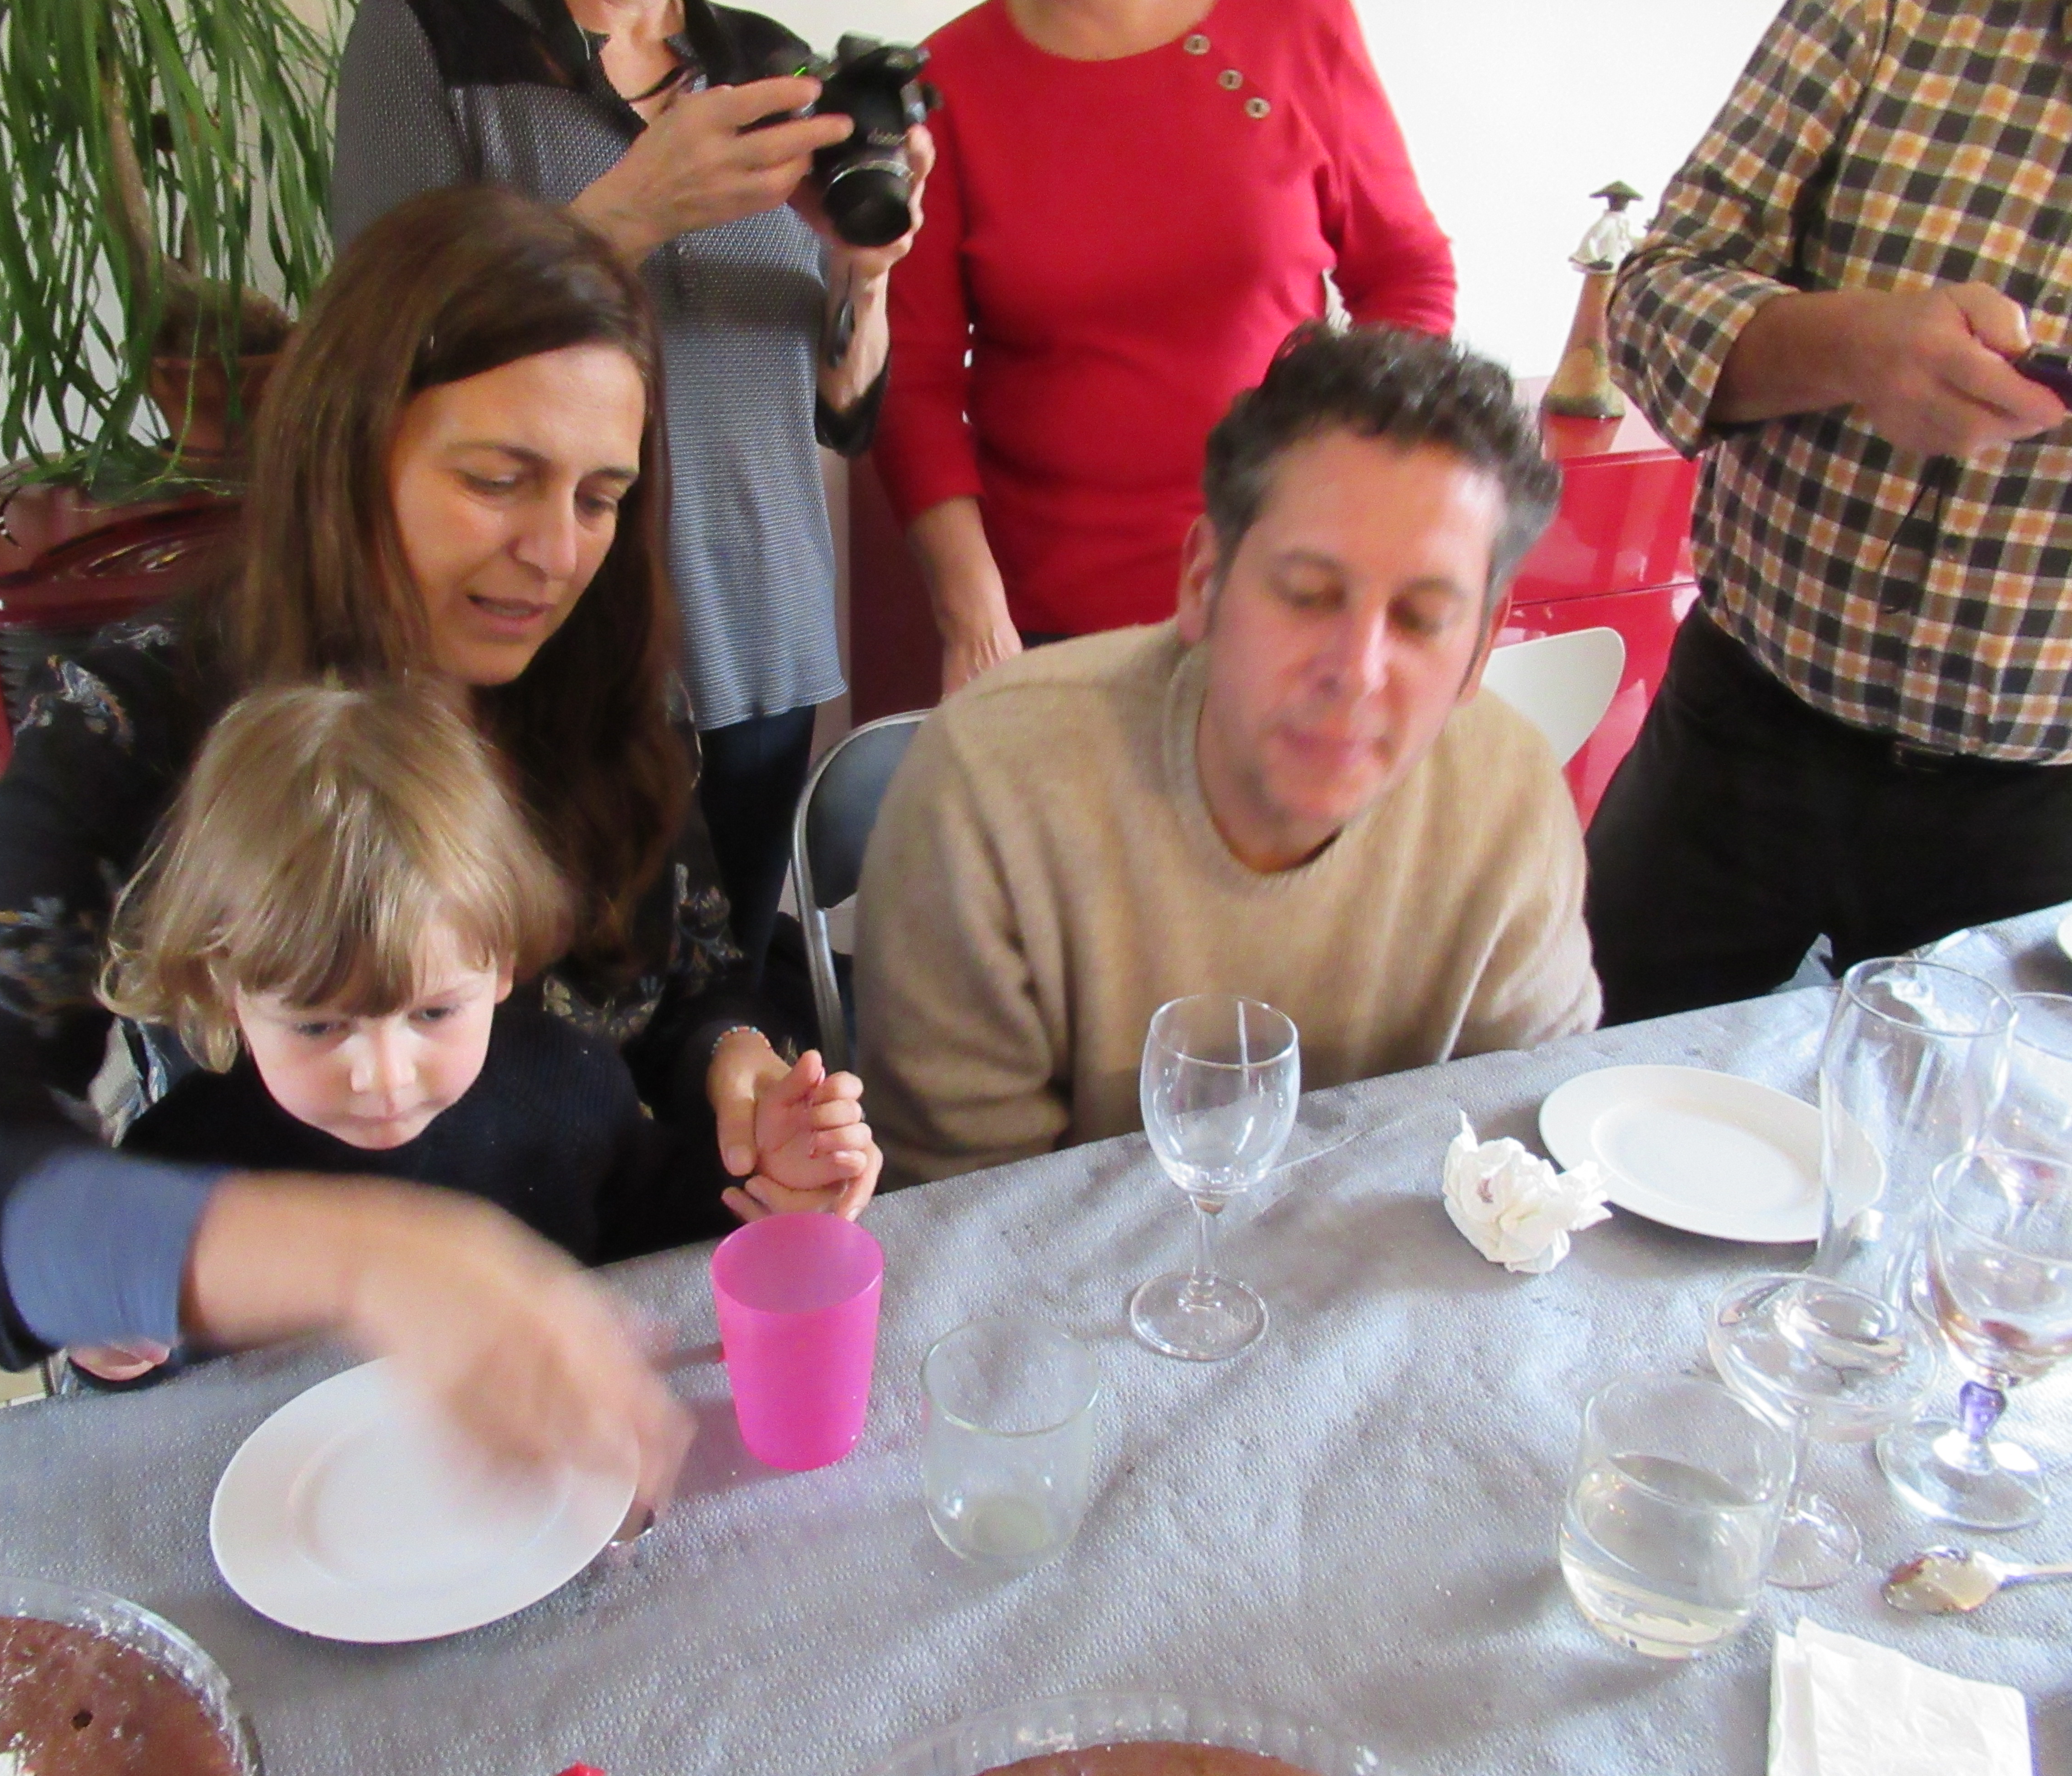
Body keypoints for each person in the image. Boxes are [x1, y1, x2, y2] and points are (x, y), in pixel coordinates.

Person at [0, 187, 860, 1485]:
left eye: (600, 497)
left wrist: (742, 1084)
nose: (556, 554)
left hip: (575, 1384)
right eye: (497, 480)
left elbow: (691, 990)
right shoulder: (138, 720)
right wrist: (368, 1259)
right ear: (347, 449)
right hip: (272, 1435)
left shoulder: (605, 690)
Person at [856, 325, 1600, 1182]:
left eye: (1422, 619)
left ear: (1481, 647)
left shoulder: (1512, 798)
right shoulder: (989, 787)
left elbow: (1528, 1152)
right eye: (1308, 594)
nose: (1357, 671)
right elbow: (971, 1218)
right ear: (1204, 582)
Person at [334, 0, 931, 973]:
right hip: (547, 643)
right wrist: (625, 216)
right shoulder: (430, 34)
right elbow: (379, 347)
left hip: (762, 638)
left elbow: (841, 413)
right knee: (530, 993)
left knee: (724, 994)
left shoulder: (768, 62)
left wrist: (861, 273)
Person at [59, 682, 880, 1384]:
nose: (385, 1074)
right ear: (224, 988)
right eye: (317, 1023)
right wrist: (113, 1350)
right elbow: (150, 1404)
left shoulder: (568, 1085)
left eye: (432, 1013)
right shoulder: (172, 1168)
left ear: (502, 962)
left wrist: (766, 1183)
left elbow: (659, 1233)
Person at [1588, 0, 2072, 1023]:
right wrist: (1850, 348)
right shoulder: (1887, 11)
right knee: (1571, 1097)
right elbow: (1648, 303)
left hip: (2069, 808)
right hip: (1735, 742)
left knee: (1977, 1129)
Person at [872, 0, 1455, 694]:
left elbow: (1406, 276)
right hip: (1049, 635)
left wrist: (1353, 492)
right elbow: (912, 378)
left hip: (1288, 600)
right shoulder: (945, 82)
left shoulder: (1295, 23)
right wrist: (972, 617)